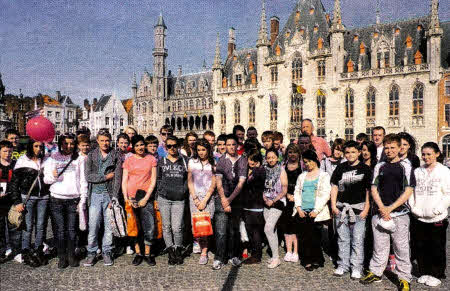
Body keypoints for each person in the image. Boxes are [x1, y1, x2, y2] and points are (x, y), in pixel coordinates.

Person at [360, 134, 415, 291]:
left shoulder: (406, 165)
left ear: (399, 148)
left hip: (400, 214)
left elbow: (408, 190)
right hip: (380, 213)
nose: (389, 150)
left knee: (401, 248)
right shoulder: (379, 166)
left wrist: (390, 208)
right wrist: (382, 208)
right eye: (387, 148)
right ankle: (376, 271)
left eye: (393, 147)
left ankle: (404, 277)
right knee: (380, 246)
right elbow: (373, 188)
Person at [409, 142, 449, 287]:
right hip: (420, 216)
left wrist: (438, 209)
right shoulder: (418, 171)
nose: (426, 157)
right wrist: (414, 207)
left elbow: (448, 194)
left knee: (436, 246)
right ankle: (424, 271)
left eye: (429, 154)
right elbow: (411, 191)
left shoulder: (444, 171)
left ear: (437, 154)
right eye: (423, 154)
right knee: (421, 245)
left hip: (436, 216)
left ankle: (436, 273)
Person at [44, 133, 87, 268]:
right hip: (57, 198)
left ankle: (71, 255)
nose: (68, 146)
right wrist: (53, 176)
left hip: (73, 199)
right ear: (60, 144)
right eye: (65, 143)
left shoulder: (79, 158)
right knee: (60, 230)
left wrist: (83, 200)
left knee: (72, 230)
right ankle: (62, 256)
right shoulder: (52, 158)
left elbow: (83, 180)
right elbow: (46, 180)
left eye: (71, 144)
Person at [330, 141, 372, 279]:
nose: (350, 155)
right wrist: (333, 205)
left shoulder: (365, 169)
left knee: (358, 239)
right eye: (347, 152)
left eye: (353, 152)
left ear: (359, 152)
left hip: (358, 209)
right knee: (342, 238)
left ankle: (356, 267)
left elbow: (368, 191)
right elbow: (334, 186)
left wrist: (366, 208)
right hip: (342, 208)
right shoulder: (340, 168)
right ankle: (343, 265)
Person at [84, 130, 122, 267]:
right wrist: (105, 177)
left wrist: (115, 197)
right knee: (93, 225)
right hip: (94, 194)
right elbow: (88, 176)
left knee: (109, 226)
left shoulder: (115, 155)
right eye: (102, 140)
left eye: (107, 140)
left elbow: (117, 178)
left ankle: (107, 251)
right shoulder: (91, 155)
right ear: (98, 141)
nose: (105, 143)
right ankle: (92, 252)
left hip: (109, 194)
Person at [213, 134, 247, 270]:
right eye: (228, 145)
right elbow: (218, 181)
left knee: (234, 230)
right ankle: (219, 257)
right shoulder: (221, 160)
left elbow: (241, 182)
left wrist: (230, 200)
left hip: (236, 199)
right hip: (221, 197)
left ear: (237, 146)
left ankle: (233, 255)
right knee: (221, 230)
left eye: (233, 144)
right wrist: (223, 199)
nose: (231, 147)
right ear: (225, 146)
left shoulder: (242, 160)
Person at [122, 135, 157, 266]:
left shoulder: (151, 159)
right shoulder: (129, 160)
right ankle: (138, 253)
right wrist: (126, 198)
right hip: (131, 197)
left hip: (146, 196)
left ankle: (148, 253)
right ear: (133, 147)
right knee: (134, 226)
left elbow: (153, 180)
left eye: (141, 145)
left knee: (149, 226)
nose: (140, 148)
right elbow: (124, 180)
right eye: (137, 145)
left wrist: (146, 198)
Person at [293, 149, 331, 271]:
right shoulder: (302, 176)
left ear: (315, 160)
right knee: (304, 237)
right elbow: (297, 192)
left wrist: (316, 210)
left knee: (315, 237)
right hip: (303, 210)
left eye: (309, 161)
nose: (307, 164)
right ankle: (306, 260)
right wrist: (298, 207)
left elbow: (325, 194)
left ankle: (317, 259)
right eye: (305, 162)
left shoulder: (324, 175)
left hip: (316, 212)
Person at [156, 135, 188, 265]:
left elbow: (188, 178)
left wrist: (183, 191)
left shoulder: (184, 160)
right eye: (169, 146)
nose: (172, 148)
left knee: (177, 227)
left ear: (178, 146)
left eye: (175, 146)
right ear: (166, 147)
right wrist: (159, 194)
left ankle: (178, 249)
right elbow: (158, 179)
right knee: (166, 226)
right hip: (164, 198)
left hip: (179, 199)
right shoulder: (162, 161)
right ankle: (171, 251)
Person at [187, 139, 216, 265]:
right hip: (195, 195)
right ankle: (203, 250)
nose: (201, 152)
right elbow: (190, 181)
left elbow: (214, 182)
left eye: (203, 150)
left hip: (208, 197)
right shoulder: (192, 162)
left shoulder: (213, 162)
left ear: (208, 150)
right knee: (198, 225)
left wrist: (205, 200)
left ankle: (205, 250)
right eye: (198, 150)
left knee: (207, 224)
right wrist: (195, 198)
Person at [263, 148, 287, 269]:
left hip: (277, 202)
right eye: (268, 157)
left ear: (277, 158)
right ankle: (274, 255)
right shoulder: (264, 169)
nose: (271, 160)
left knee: (268, 228)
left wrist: (274, 200)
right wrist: (265, 199)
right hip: (266, 202)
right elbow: (260, 186)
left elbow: (284, 190)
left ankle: (276, 258)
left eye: (273, 157)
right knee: (273, 230)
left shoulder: (281, 170)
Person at [241, 150, 266, 265]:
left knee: (255, 232)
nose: (250, 161)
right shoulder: (253, 170)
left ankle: (256, 256)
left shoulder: (259, 171)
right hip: (249, 205)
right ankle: (255, 253)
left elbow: (248, 184)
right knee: (251, 231)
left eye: (253, 159)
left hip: (255, 205)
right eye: (249, 159)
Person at [279, 144, 302, 264]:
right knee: (287, 226)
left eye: (295, 152)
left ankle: (296, 251)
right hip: (286, 199)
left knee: (296, 227)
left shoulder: (302, 167)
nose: (292, 155)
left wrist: (296, 196)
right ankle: (288, 250)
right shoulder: (283, 166)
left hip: (298, 200)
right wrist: (286, 194)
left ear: (299, 154)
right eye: (290, 152)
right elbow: (280, 183)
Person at [0, 141, 20, 263]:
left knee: (14, 226)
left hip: (12, 200)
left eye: (10, 151)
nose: (8, 154)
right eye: (5, 151)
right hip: (0, 201)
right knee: (1, 227)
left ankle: (16, 251)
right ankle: (2, 250)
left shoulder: (15, 165)